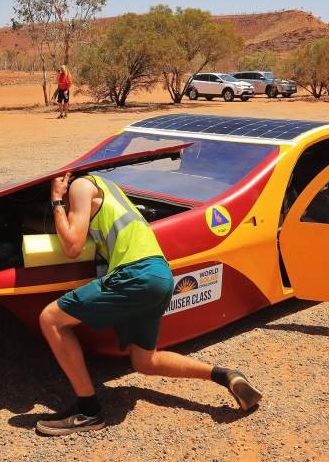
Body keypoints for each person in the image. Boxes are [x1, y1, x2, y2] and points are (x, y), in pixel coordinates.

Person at [35, 172, 263, 436]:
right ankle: (225, 375)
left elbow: (72, 246)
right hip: (160, 274)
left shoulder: (80, 186)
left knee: (51, 319)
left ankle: (88, 412)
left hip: (135, 273)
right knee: (145, 361)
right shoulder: (109, 188)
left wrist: (56, 200)